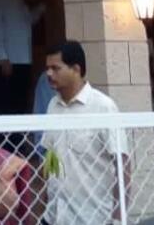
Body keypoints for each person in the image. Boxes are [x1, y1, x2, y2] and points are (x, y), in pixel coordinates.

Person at [40, 40, 127, 225]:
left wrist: (118, 218)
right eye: (47, 68)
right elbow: (50, 157)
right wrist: (44, 204)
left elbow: (122, 163)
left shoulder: (103, 107)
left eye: (56, 68)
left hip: (91, 217)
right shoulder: (52, 106)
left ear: (76, 69)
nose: (49, 73)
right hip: (54, 216)